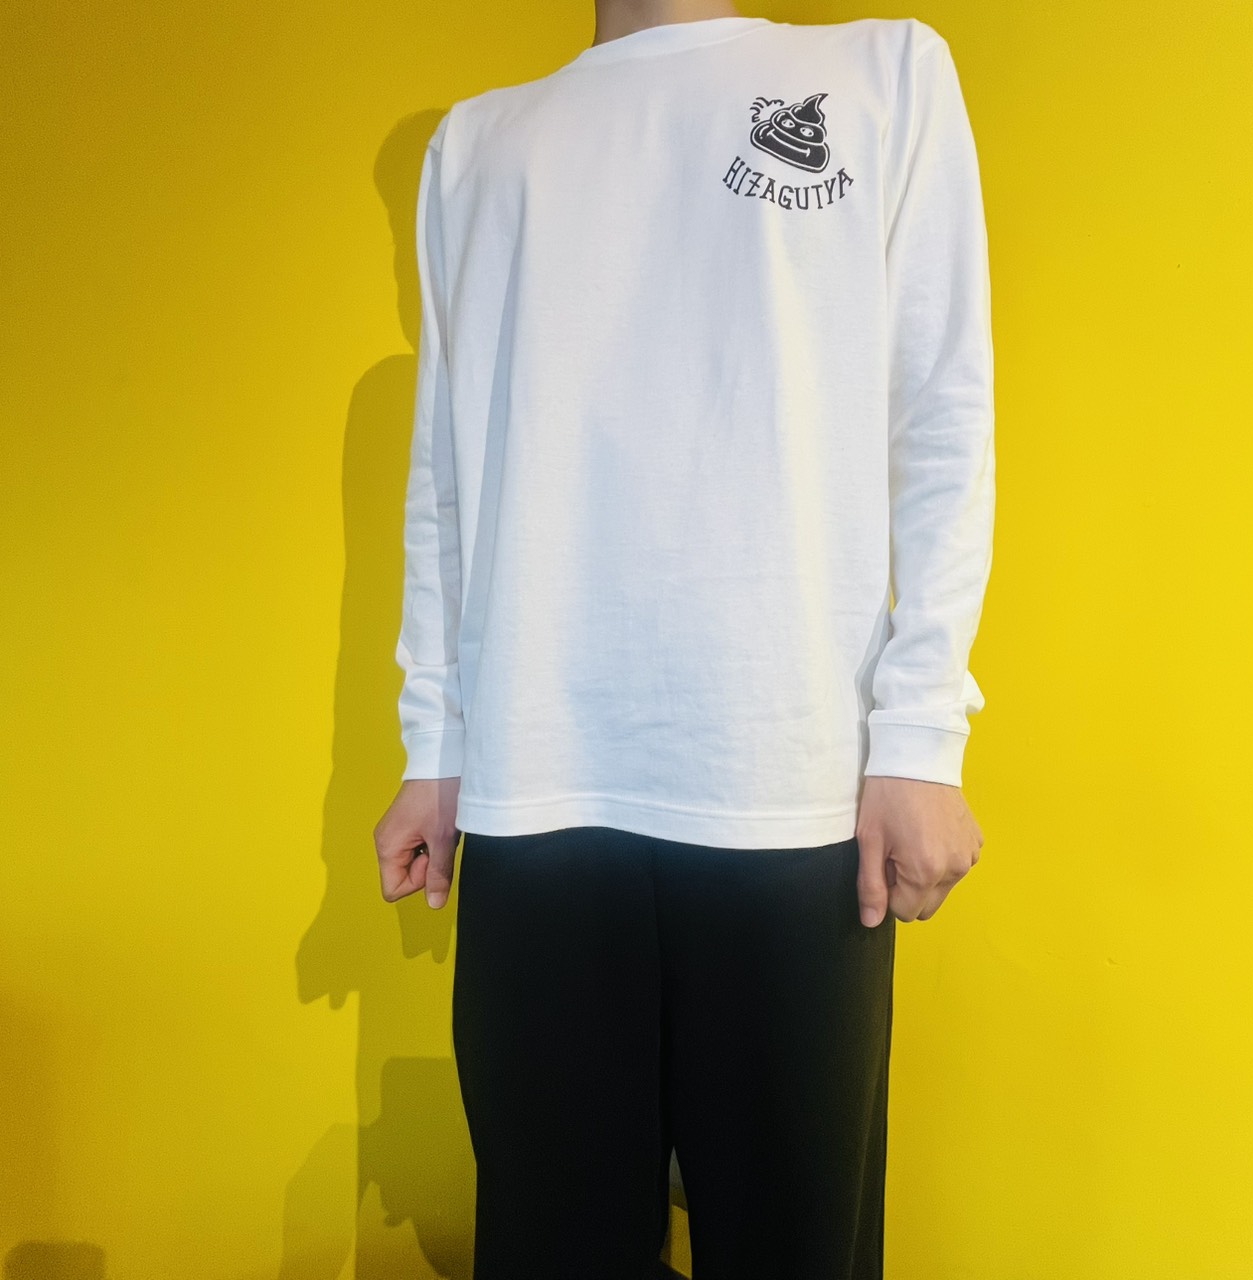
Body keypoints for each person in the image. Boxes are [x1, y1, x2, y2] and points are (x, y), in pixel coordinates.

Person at [372, 1, 994, 1276]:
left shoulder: (881, 74)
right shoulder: (475, 145)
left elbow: (940, 411)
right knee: (553, 1247)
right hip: (536, 791)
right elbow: (444, 474)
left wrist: (920, 734)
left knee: (794, 1247)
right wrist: (433, 744)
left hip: (790, 797)